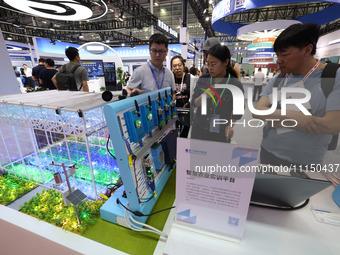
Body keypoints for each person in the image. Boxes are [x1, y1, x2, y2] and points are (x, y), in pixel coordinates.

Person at [254, 23, 340, 166]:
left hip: (306, 162)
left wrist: (273, 117)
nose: (278, 60)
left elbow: (332, 125)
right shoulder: (279, 78)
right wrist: (295, 117)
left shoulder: (333, 76)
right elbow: (258, 110)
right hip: (268, 151)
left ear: (307, 50)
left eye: (285, 54)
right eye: (277, 55)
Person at [191, 44, 243, 142]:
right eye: (207, 64)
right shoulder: (203, 80)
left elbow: (238, 111)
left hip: (220, 133)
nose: (209, 68)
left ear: (226, 62)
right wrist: (204, 96)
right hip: (199, 130)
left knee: (217, 157)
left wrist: (230, 126)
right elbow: (194, 102)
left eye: (213, 64)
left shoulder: (235, 85)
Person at [126, 33, 176, 98]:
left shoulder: (169, 74)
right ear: (149, 51)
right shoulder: (139, 72)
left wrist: (171, 102)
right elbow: (128, 90)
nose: (157, 55)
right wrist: (132, 93)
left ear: (166, 52)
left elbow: (173, 93)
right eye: (154, 51)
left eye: (161, 51)